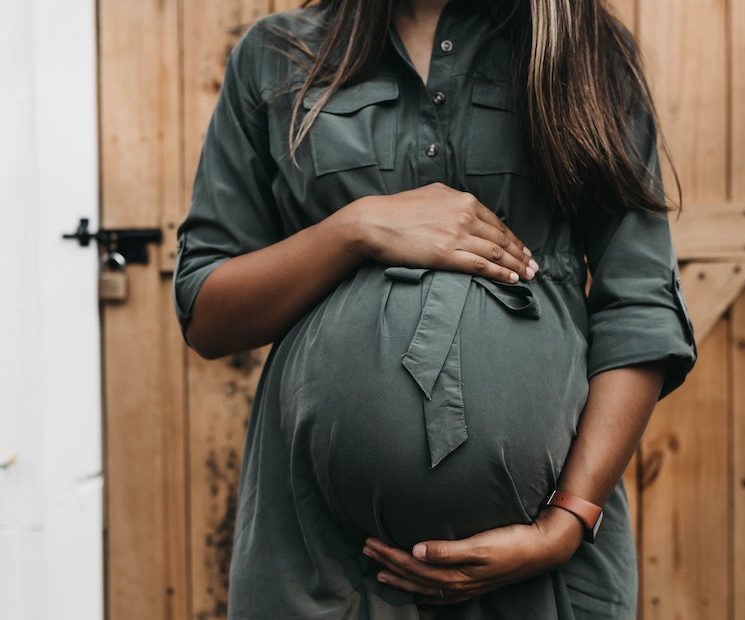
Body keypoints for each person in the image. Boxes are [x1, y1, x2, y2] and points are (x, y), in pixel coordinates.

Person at [172, 0, 698, 617]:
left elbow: (639, 307)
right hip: (323, 567)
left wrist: (567, 521)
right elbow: (208, 312)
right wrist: (354, 228)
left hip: (541, 574)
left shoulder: (586, 51)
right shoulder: (277, 56)